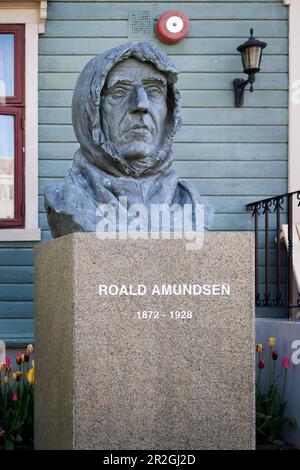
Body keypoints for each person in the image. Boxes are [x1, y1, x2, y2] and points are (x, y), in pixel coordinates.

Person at [44, 42, 213, 238]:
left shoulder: (191, 205)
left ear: (170, 112)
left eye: (154, 91)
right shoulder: (66, 199)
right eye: (119, 92)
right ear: (89, 112)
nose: (141, 105)